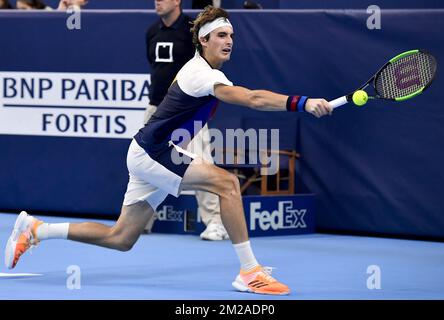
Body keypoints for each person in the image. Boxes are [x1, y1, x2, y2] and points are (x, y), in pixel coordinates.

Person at [5, 5, 332, 295]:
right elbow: (253, 99)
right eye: (220, 34)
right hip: (155, 153)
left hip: (150, 152)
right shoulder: (202, 75)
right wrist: (301, 102)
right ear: (204, 40)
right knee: (227, 184)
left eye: (231, 34)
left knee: (121, 238)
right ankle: (250, 272)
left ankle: (38, 229)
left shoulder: (203, 71)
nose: (229, 40)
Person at [144, 0, 228, 240]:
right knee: (147, 165)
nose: (157, 1)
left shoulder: (193, 31)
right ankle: (141, 220)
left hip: (188, 111)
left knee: (202, 164)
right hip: (156, 109)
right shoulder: (151, 31)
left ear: (177, 1)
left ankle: (214, 223)